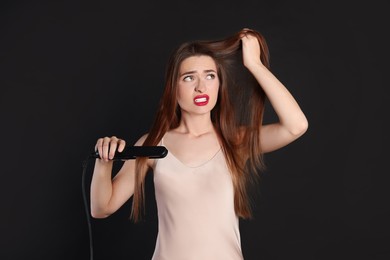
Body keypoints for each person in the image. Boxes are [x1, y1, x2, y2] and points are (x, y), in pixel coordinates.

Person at [90, 28, 308, 260]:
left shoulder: (235, 141)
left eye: (210, 76)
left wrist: (254, 64)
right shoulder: (153, 143)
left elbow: (296, 126)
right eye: (189, 77)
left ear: (219, 84)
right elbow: (101, 208)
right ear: (173, 88)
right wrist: (104, 161)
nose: (201, 87)